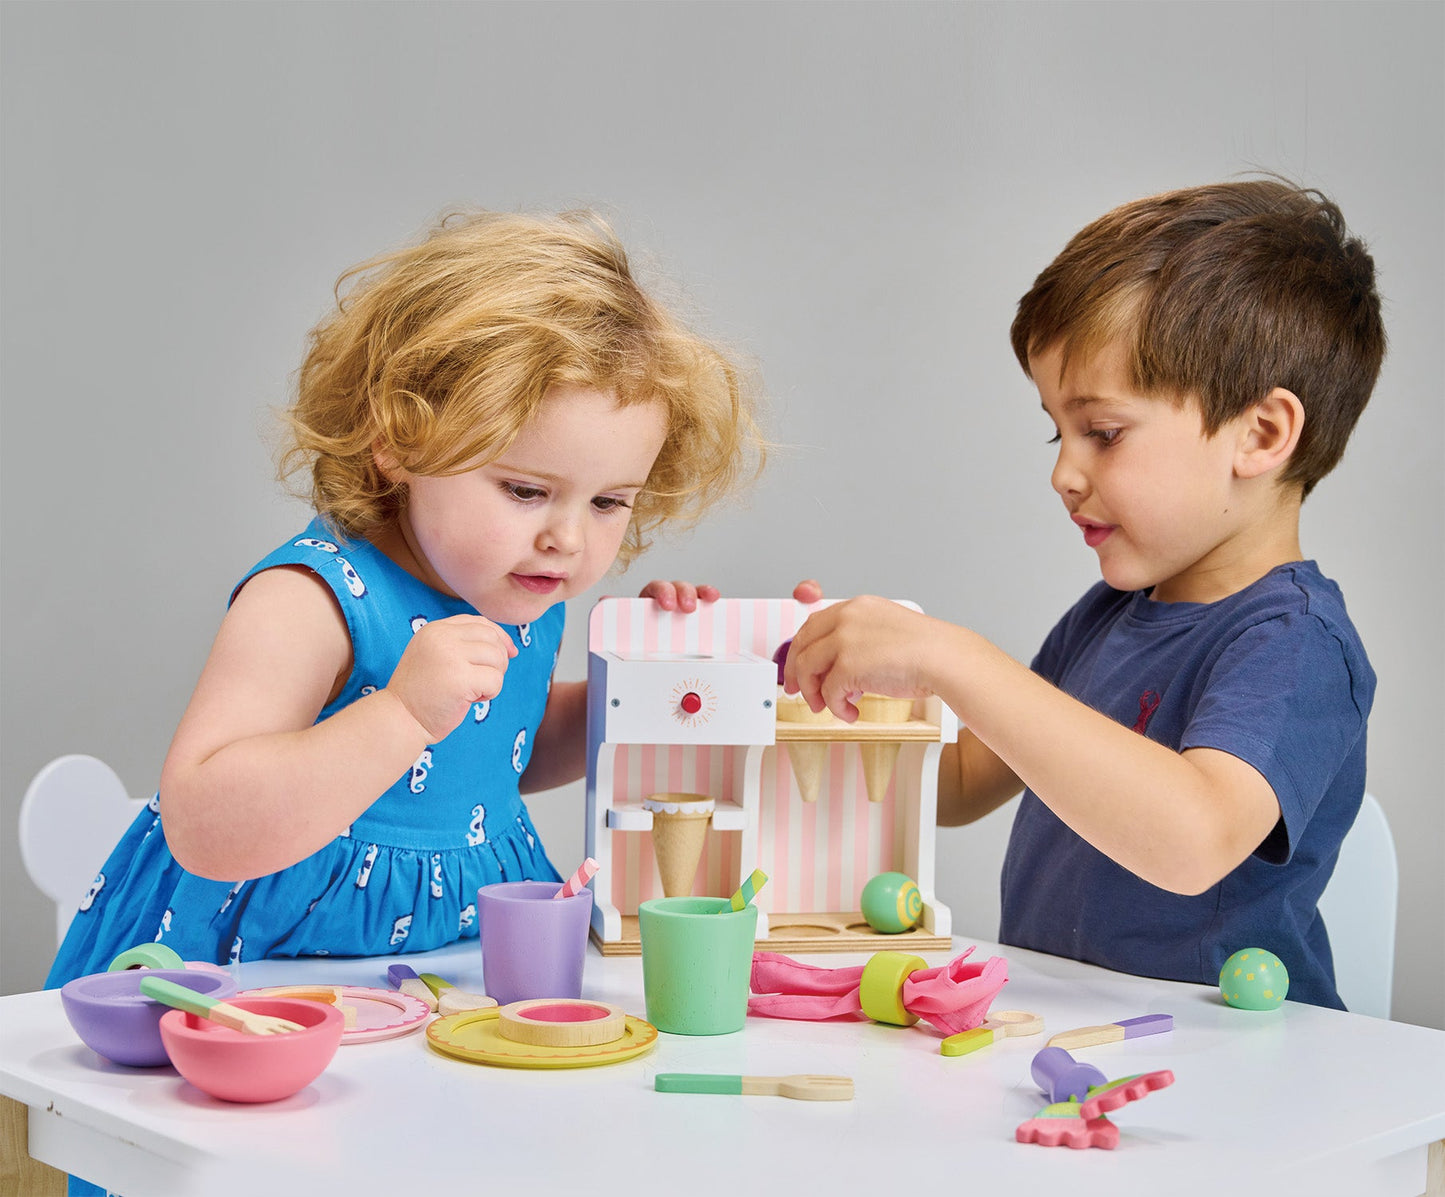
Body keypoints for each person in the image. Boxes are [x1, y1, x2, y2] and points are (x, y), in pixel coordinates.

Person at [47, 209, 764, 987]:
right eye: (526, 490)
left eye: (607, 503)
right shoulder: (312, 599)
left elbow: (494, 750)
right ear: (398, 440)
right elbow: (202, 820)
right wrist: (400, 714)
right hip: (248, 984)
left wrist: (634, 698)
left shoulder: (517, 590)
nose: (567, 539)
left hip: (436, 975)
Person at [782, 180, 1384, 1009]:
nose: (1063, 473)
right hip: (1069, 1037)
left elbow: (1193, 838)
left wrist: (952, 657)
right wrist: (825, 675)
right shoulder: (1107, 618)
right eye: (1055, 431)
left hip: (1230, 1070)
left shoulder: (1295, 644)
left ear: (1261, 434)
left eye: (1102, 432)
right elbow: (956, 787)